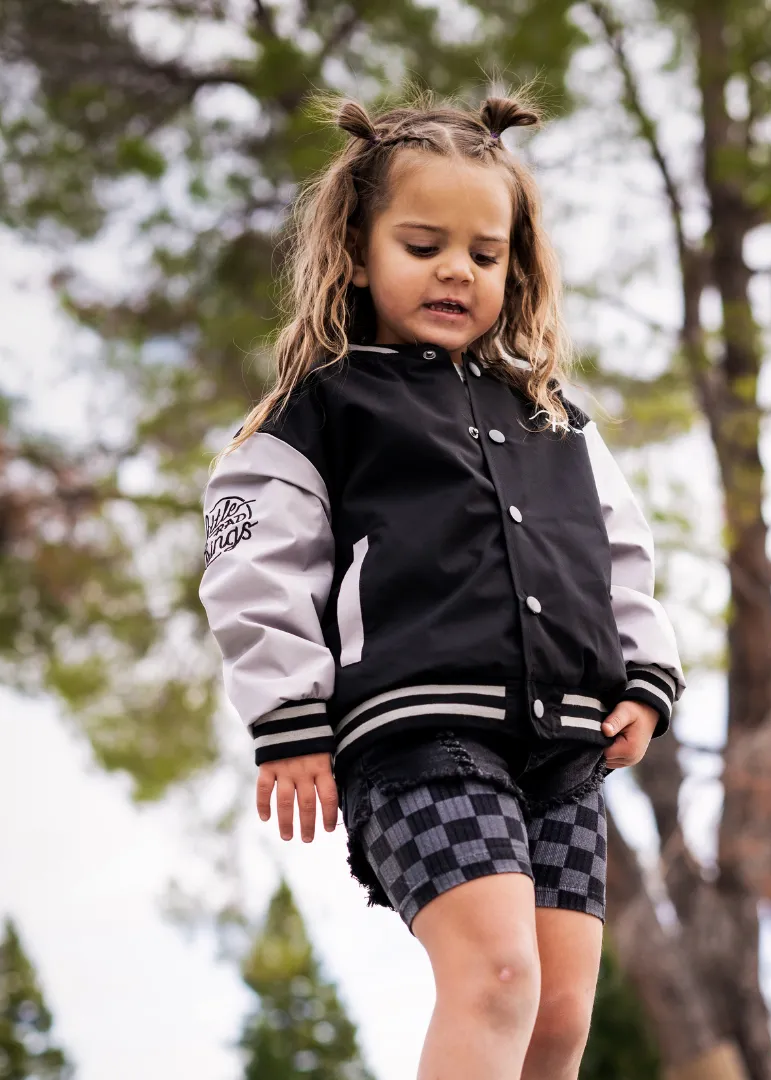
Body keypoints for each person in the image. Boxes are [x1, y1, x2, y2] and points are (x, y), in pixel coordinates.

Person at [199, 91, 684, 1080]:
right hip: (422, 734)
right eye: (423, 245)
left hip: (564, 750)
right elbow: (254, 560)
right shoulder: (323, 405)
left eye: (484, 252)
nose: (456, 269)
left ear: (518, 265)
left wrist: (645, 672)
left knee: (557, 1015)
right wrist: (288, 714)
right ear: (357, 250)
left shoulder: (555, 418)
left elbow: (620, 552)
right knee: (497, 979)